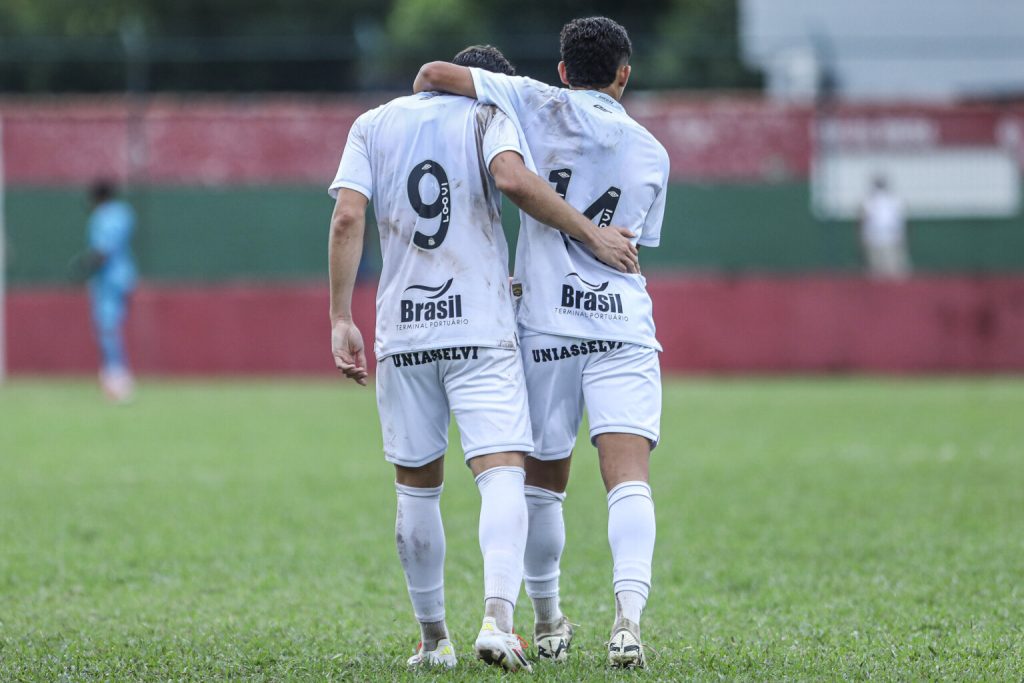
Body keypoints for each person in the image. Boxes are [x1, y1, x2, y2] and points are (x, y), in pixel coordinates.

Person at [328, 45, 637, 672]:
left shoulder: (372, 124)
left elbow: (346, 218)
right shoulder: (489, 115)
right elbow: (514, 181)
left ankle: (433, 640)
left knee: (416, 488)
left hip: (404, 330)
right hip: (479, 325)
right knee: (501, 473)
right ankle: (498, 618)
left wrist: (340, 317)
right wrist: (590, 233)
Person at [414, 17, 669, 669]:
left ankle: (549, 619)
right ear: (624, 75)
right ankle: (628, 623)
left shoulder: (532, 99)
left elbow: (435, 74)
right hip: (620, 324)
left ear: (561, 70)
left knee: (544, 483)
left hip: (545, 323)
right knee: (628, 479)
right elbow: (631, 246)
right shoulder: (653, 152)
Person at [80, 179, 137, 402]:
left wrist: (85, 265)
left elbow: (103, 250)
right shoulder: (124, 213)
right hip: (123, 277)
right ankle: (114, 374)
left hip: (108, 280)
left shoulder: (103, 217)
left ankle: (116, 377)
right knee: (111, 327)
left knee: (107, 328)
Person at [859, 175, 910, 279]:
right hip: (879, 236)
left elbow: (898, 220)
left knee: (890, 270)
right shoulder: (872, 201)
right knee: (883, 270)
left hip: (885, 236)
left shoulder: (892, 200)